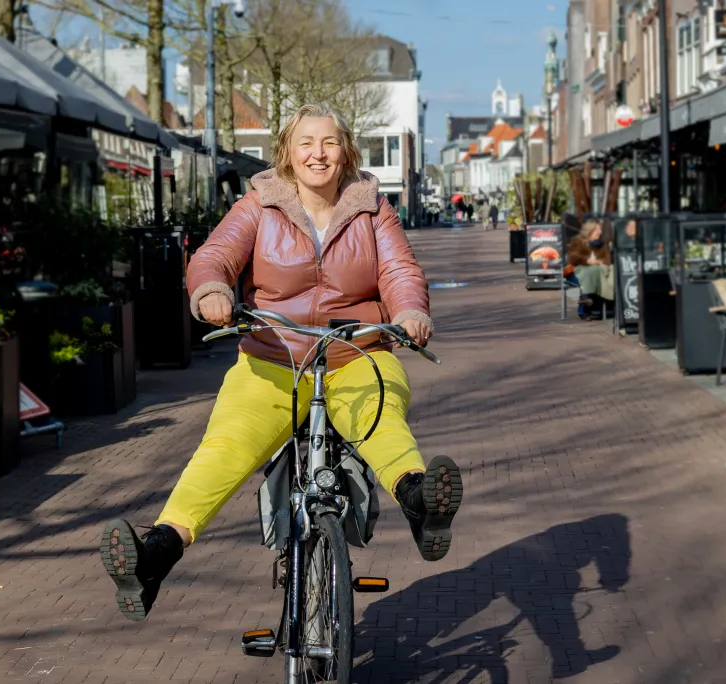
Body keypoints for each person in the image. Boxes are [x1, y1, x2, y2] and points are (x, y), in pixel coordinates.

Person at [100, 103, 464, 621]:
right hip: (273, 356)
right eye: (306, 143)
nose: (319, 153)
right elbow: (215, 254)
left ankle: (422, 505)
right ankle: (157, 553)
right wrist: (211, 291)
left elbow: (399, 269)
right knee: (226, 446)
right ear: (288, 154)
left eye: (330, 143)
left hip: (354, 351)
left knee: (380, 420)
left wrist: (409, 311)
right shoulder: (260, 204)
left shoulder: (371, 207)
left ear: (347, 152)